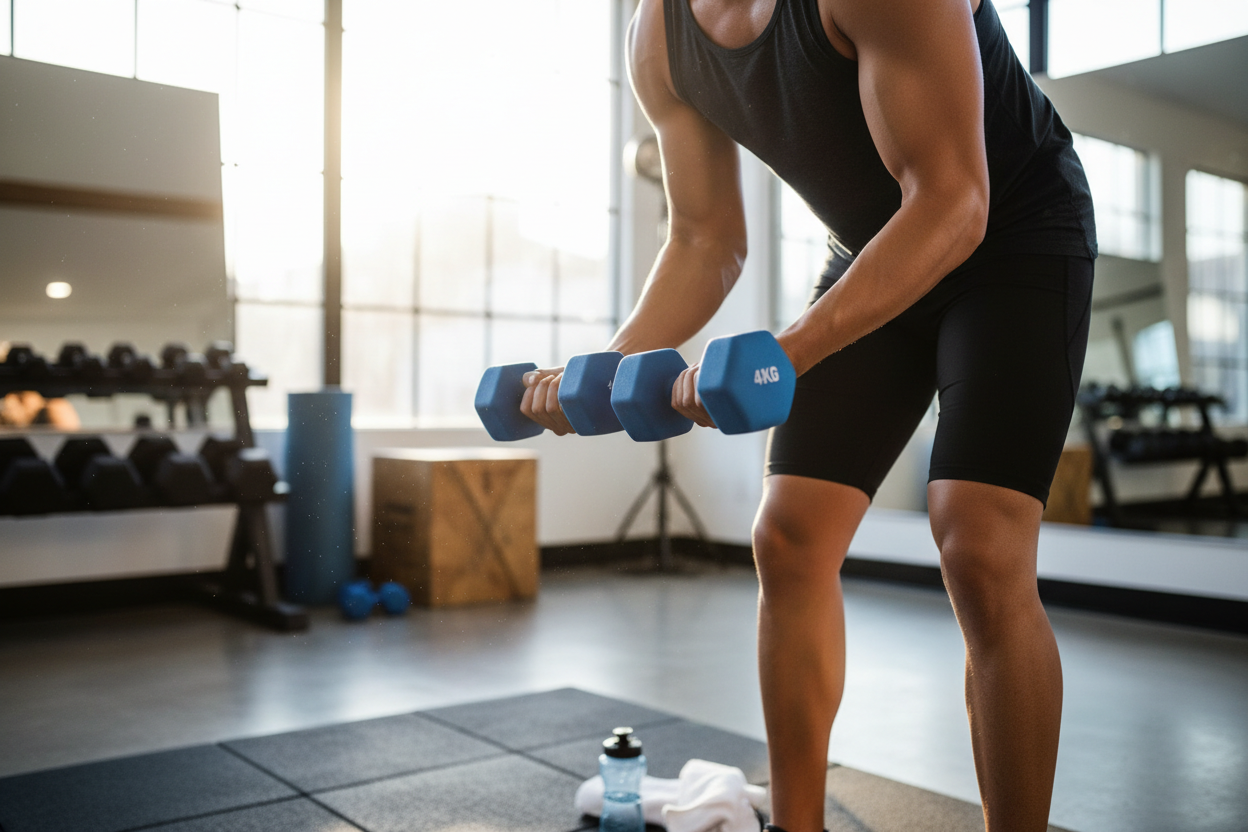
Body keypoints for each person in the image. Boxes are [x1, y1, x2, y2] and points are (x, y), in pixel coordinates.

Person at [522, 0, 1096, 829]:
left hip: (1015, 236)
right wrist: (606, 369)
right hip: (872, 249)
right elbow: (705, 239)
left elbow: (954, 201)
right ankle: (797, 825)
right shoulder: (660, 34)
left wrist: (787, 351)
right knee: (788, 537)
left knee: (978, 543)